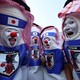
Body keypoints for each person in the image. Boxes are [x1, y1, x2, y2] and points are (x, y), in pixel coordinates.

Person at [0, 0, 34, 80]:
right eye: (8, 30)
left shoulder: (23, 48)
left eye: (16, 31)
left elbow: (24, 68)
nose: (13, 34)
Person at [58, 0, 80, 80]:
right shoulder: (65, 45)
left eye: (71, 22)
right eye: (65, 24)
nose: (66, 28)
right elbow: (68, 65)